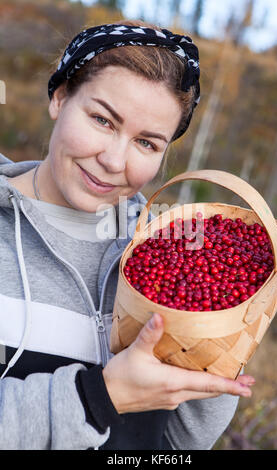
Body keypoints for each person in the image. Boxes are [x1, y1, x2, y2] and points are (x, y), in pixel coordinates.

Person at [0, 19, 255, 450]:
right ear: (60, 98)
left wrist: (229, 321)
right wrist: (99, 398)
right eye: (102, 119)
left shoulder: (166, 257)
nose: (114, 159)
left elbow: (172, 447)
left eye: (147, 143)